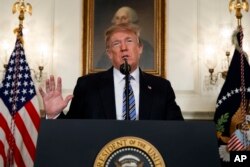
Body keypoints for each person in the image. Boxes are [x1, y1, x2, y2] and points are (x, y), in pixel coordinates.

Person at [39, 23, 183, 120]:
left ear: (140, 48)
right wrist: (54, 114)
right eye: (116, 43)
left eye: (129, 41)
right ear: (109, 53)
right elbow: (72, 131)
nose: (123, 47)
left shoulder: (161, 88)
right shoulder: (87, 86)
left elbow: (178, 131)